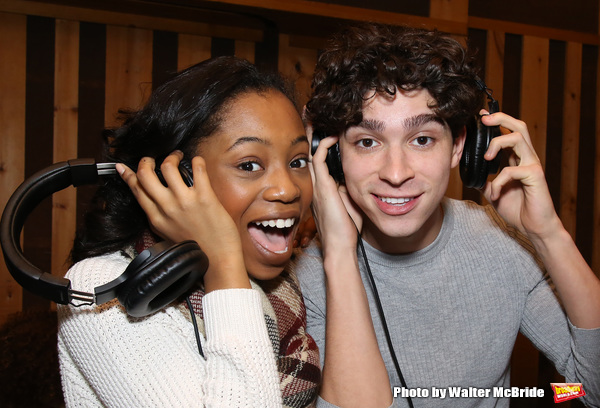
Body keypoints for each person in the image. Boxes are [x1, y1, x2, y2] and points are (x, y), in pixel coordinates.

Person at [292, 23, 600, 407]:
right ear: (334, 157)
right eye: (367, 142)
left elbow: (592, 388)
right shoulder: (306, 279)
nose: (396, 172)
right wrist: (339, 256)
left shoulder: (503, 247)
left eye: (422, 139)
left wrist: (549, 234)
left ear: (458, 149)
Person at [57, 56, 321, 407]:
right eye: (249, 164)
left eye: (297, 162)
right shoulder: (100, 289)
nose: (287, 189)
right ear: (177, 181)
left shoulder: (295, 278)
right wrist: (223, 264)